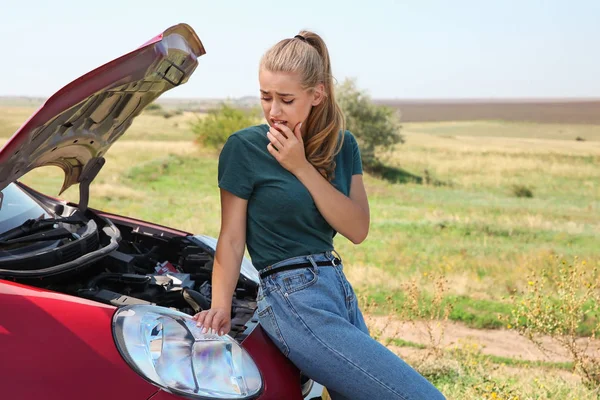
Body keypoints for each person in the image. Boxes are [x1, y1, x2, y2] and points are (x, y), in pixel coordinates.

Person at [193, 30, 446, 400]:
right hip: (292, 298)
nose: (274, 110)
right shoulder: (244, 148)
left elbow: (357, 228)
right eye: (266, 97)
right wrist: (220, 306)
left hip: (337, 288)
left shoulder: (344, 146)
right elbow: (231, 239)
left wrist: (301, 168)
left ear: (316, 95)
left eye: (286, 99)